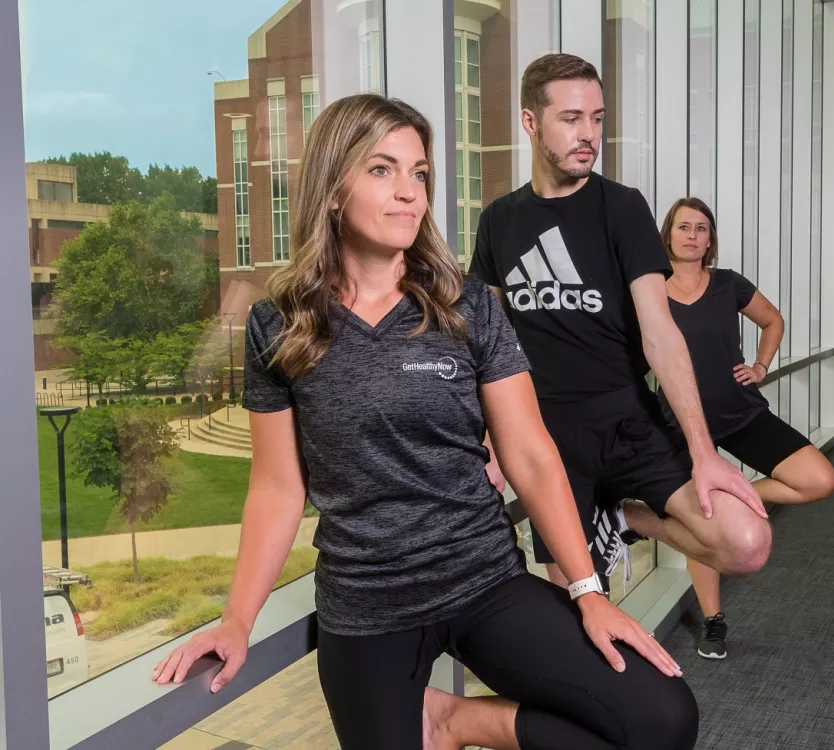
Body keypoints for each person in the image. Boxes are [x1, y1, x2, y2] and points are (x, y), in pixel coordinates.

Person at [151, 94, 699, 750]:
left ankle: (458, 720)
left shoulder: (467, 306)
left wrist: (588, 591)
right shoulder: (281, 323)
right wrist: (236, 620)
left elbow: (530, 454)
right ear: (332, 189)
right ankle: (431, 723)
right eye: (382, 170)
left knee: (662, 719)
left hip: (483, 579)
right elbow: (275, 486)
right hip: (367, 604)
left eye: (418, 174)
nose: (409, 191)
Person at [470, 53, 772, 596]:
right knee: (578, 608)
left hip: (629, 422)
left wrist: (705, 455)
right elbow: (490, 344)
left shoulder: (623, 207)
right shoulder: (497, 220)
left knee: (746, 542)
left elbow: (661, 333)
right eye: (571, 118)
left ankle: (625, 519)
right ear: (530, 121)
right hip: (547, 439)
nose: (589, 134)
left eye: (598, 118)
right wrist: (493, 439)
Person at [658, 197, 834, 659]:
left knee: (820, 479)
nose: (692, 235)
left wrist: (760, 365)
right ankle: (714, 621)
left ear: (709, 239)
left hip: (741, 412)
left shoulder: (727, 284)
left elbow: (773, 319)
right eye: (684, 227)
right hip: (680, 424)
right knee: (707, 522)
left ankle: (739, 495)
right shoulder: (650, 290)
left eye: (701, 228)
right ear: (669, 234)